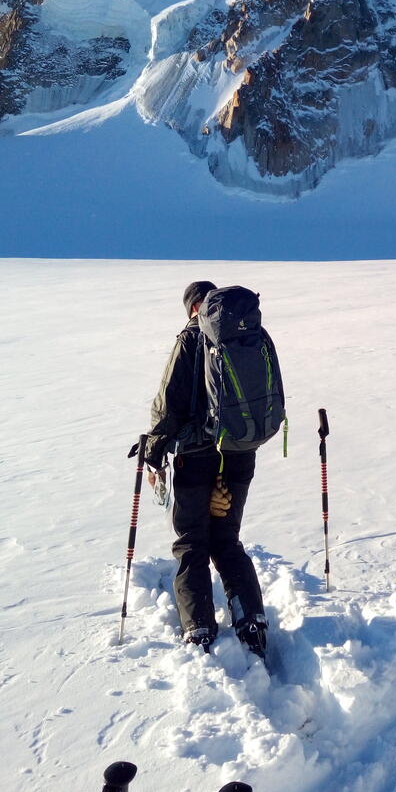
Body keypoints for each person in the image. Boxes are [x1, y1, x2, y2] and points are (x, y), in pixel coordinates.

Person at [144, 280, 267, 656]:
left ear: (193, 308)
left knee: (192, 543)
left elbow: (168, 404)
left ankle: (198, 627)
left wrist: (152, 451)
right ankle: (251, 620)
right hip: (240, 451)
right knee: (226, 540)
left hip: (195, 455)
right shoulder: (250, 335)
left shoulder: (191, 339)